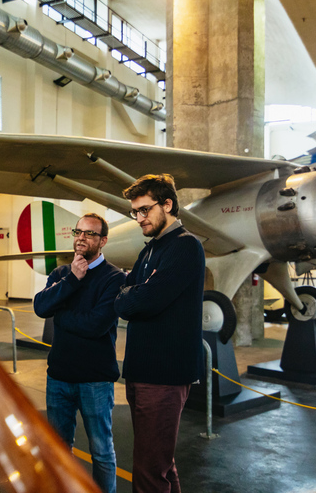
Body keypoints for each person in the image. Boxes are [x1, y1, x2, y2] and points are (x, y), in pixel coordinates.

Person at [113, 174, 205, 493]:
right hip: (141, 372)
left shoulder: (185, 247)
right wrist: (132, 295)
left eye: (145, 210)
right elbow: (127, 298)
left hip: (164, 377)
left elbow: (143, 299)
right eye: (135, 212)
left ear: (167, 205)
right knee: (160, 463)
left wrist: (132, 295)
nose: (139, 218)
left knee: (150, 470)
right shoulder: (149, 251)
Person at [34, 213, 126, 493]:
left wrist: (60, 317)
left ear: (103, 240)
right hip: (59, 377)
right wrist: (72, 280)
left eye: (89, 233)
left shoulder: (115, 278)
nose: (81, 237)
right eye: (78, 232)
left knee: (101, 451)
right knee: (59, 450)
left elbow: (96, 325)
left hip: (95, 380)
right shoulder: (62, 274)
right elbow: (41, 307)